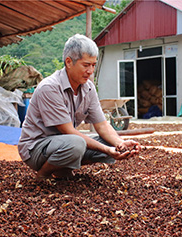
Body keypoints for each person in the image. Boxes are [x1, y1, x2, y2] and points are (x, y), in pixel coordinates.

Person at [18, 34, 141, 181]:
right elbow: (68, 131)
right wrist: (108, 150)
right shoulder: (50, 87)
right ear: (69, 62)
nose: (90, 71)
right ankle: (43, 174)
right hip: (36, 148)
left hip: (63, 143)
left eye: (93, 65)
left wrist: (120, 144)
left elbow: (102, 125)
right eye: (86, 65)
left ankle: (62, 168)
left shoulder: (88, 88)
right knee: (77, 144)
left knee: (107, 141)